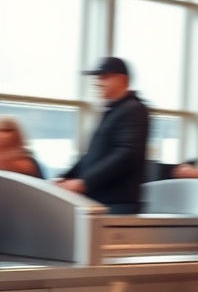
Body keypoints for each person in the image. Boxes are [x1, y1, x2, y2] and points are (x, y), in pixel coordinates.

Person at [55, 57, 150, 213]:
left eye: (104, 77)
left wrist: (83, 183)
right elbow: (92, 156)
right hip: (101, 202)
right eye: (97, 77)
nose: (97, 82)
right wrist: (65, 176)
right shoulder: (113, 111)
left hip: (117, 206)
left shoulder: (134, 109)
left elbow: (126, 154)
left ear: (122, 80)